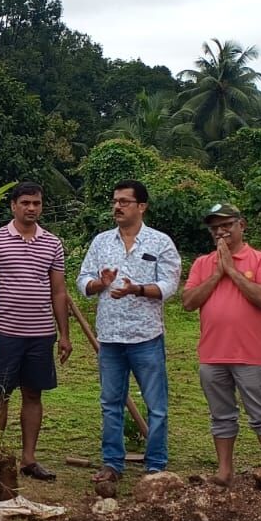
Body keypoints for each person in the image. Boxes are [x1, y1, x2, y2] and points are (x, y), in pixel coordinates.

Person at [77, 179, 181, 487]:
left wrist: (137, 289)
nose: (117, 206)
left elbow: (169, 285)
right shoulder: (101, 242)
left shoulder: (160, 242)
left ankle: (156, 465)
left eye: (124, 201)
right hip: (109, 337)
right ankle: (112, 463)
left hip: (146, 336)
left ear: (141, 206)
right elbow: (83, 280)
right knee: (110, 402)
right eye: (115, 201)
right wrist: (100, 284)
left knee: (156, 405)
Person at [0, 183, 72, 479]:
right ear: (13, 206)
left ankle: (29, 458)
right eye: (26, 203)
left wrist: (64, 334)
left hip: (41, 333)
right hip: (4, 332)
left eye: (37, 203)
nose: (32, 208)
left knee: (34, 394)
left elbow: (58, 291)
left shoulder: (52, 243)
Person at [182, 203, 261, 485]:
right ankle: (225, 471)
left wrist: (232, 271)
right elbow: (189, 302)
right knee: (221, 415)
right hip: (212, 354)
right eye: (215, 227)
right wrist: (217, 272)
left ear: (242, 225)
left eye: (227, 225)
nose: (220, 231)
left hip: (249, 354)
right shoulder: (203, 263)